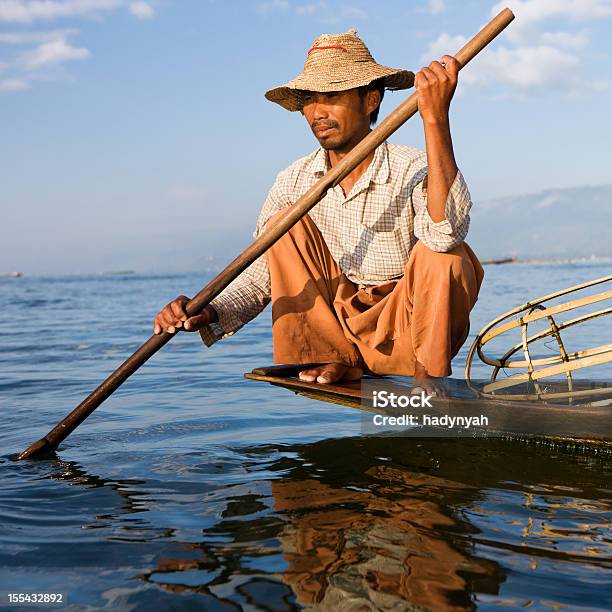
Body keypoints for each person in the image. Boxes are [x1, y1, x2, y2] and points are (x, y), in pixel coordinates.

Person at [153, 30, 484, 389]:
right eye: (310, 99)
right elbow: (263, 273)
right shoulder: (293, 181)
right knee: (284, 224)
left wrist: (435, 119)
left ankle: (428, 380)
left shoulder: (414, 167)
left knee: (446, 256)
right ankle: (335, 357)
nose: (317, 112)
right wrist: (209, 309)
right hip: (345, 335)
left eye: (331, 95)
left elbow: (446, 231)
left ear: (371, 100)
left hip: (407, 333)